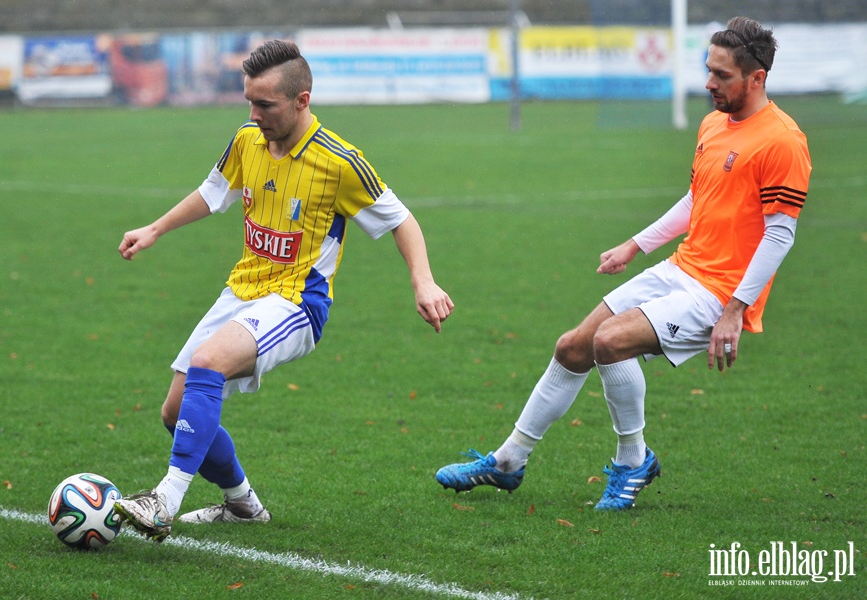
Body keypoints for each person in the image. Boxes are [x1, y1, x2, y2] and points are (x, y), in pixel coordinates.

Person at [436, 16, 810, 511]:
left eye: (722, 75)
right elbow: (698, 199)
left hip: (721, 292)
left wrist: (736, 309)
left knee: (610, 343)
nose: (708, 83)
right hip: (683, 268)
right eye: (708, 70)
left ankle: (633, 462)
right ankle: (508, 462)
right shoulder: (713, 123)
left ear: (756, 78)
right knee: (572, 347)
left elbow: (780, 233)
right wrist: (636, 245)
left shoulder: (783, 141)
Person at [114, 39, 454, 541]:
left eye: (266, 105)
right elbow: (214, 192)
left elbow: (401, 219)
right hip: (243, 288)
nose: (255, 114)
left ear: (302, 100)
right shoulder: (247, 139)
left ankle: (165, 499)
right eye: (249, 101)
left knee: (208, 364)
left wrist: (423, 281)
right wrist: (156, 229)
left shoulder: (340, 162)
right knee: (175, 412)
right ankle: (243, 505)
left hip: (297, 301)